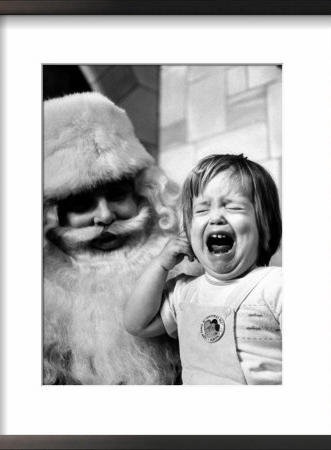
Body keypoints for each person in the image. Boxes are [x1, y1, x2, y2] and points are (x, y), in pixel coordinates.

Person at [43, 91, 199, 385]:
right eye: (80, 203)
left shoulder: (190, 276)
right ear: (56, 215)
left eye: (117, 195)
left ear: (145, 195)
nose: (104, 217)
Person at [124, 154, 282, 385]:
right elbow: (136, 324)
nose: (216, 217)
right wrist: (160, 265)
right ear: (188, 232)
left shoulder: (275, 284)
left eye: (234, 207)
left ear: (264, 225)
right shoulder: (184, 293)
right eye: (201, 210)